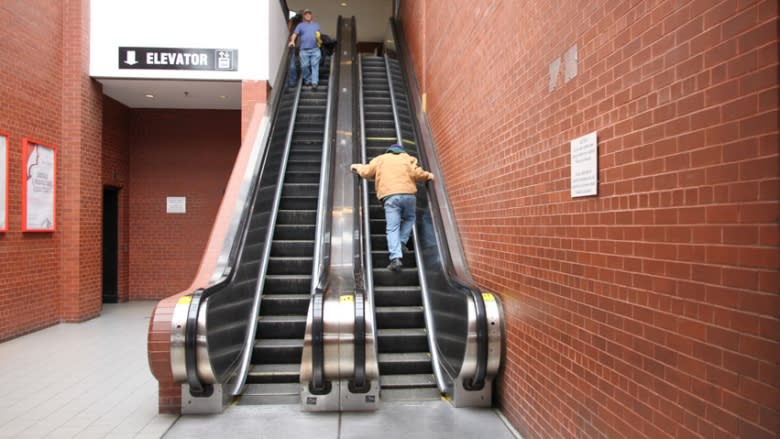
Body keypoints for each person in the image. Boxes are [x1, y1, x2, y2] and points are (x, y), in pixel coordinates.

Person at [351, 144, 434, 271]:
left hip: (391, 197)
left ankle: (395, 258)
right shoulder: (408, 159)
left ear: (389, 151)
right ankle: (401, 241)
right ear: (402, 151)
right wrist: (429, 176)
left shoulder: (381, 159)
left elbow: (367, 172)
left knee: (392, 228)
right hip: (408, 195)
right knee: (410, 218)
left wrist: (356, 166)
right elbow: (418, 174)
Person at [288, 8, 321, 90]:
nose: (308, 15)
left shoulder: (316, 25)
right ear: (304, 16)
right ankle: (308, 79)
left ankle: (314, 82)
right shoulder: (300, 25)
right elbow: (294, 34)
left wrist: (319, 40)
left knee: (315, 65)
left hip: (315, 49)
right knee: (304, 66)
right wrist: (292, 41)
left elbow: (318, 35)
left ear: (311, 15)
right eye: (306, 14)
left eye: (309, 14)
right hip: (304, 50)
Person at [286, 10, 304, 88]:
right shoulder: (293, 23)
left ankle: (292, 81)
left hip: (299, 47)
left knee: (293, 64)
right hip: (294, 46)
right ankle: (293, 81)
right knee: (292, 64)